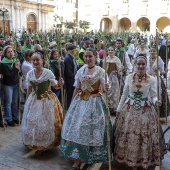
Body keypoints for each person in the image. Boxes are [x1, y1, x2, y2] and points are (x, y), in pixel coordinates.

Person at [60, 48, 112, 170]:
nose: (88, 59)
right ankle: (77, 156)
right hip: (81, 102)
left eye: (90, 56)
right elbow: (77, 88)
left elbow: (104, 89)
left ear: (95, 57)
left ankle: (91, 155)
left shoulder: (100, 71)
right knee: (78, 127)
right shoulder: (80, 70)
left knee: (91, 128)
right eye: (86, 56)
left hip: (95, 102)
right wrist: (72, 104)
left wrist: (106, 87)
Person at [114, 54, 166, 169]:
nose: (141, 66)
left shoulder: (151, 79)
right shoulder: (128, 77)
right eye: (139, 64)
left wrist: (156, 101)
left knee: (144, 137)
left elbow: (153, 95)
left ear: (146, 65)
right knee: (129, 137)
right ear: (135, 64)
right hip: (129, 110)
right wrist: (118, 109)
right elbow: (124, 95)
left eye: (143, 64)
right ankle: (130, 159)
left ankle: (143, 160)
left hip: (145, 111)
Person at [21, 51, 64, 152]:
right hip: (34, 99)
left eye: (37, 60)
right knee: (33, 121)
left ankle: (46, 143)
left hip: (47, 100)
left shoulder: (48, 73)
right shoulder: (30, 73)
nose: (35, 62)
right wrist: (27, 102)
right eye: (33, 60)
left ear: (42, 60)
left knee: (45, 121)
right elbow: (30, 89)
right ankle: (35, 142)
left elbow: (56, 87)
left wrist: (60, 84)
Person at [146, 46, 170, 118]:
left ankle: (156, 111)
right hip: (147, 78)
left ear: (156, 52)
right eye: (151, 51)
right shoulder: (147, 58)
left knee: (156, 94)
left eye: (154, 51)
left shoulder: (159, 59)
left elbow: (162, 71)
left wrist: (162, 71)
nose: (152, 52)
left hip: (156, 79)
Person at [0, 45, 21, 127]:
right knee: (8, 102)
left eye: (11, 51)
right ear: (5, 54)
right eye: (8, 52)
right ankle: (9, 118)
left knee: (15, 102)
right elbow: (9, 75)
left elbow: (19, 72)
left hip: (16, 83)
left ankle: (15, 117)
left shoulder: (16, 60)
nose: (10, 53)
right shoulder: (3, 63)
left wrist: (19, 69)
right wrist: (16, 68)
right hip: (8, 85)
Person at [103, 46, 122, 116]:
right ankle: (107, 108)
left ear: (114, 51)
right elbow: (103, 69)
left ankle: (113, 109)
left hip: (114, 78)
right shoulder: (105, 59)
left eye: (112, 50)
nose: (110, 51)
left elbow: (119, 70)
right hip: (107, 78)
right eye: (109, 50)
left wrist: (120, 70)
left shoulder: (117, 59)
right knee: (107, 93)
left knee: (114, 93)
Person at [64, 45, 78, 109]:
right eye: (75, 50)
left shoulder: (72, 57)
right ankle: (69, 107)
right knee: (69, 95)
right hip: (70, 81)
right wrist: (75, 77)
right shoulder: (68, 58)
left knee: (72, 94)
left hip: (73, 79)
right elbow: (68, 71)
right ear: (72, 50)